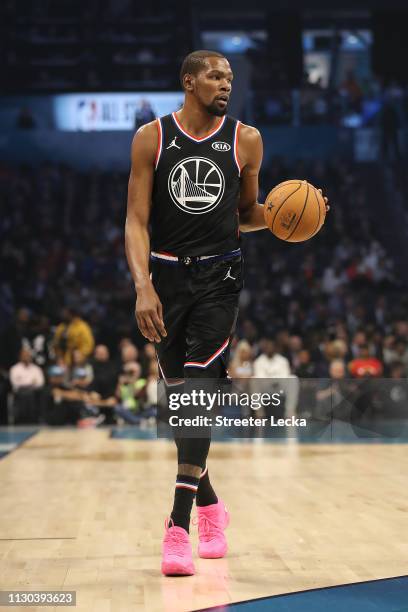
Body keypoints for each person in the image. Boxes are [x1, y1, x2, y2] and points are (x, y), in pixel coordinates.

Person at [125, 49, 328, 576]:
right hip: (166, 278)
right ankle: (213, 505)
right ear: (188, 80)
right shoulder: (152, 137)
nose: (225, 85)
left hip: (221, 277)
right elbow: (135, 221)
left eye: (230, 78)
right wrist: (143, 285)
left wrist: (295, 214)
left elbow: (247, 215)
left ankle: (178, 526)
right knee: (182, 407)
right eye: (215, 76)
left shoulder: (247, 139)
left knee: (198, 389)